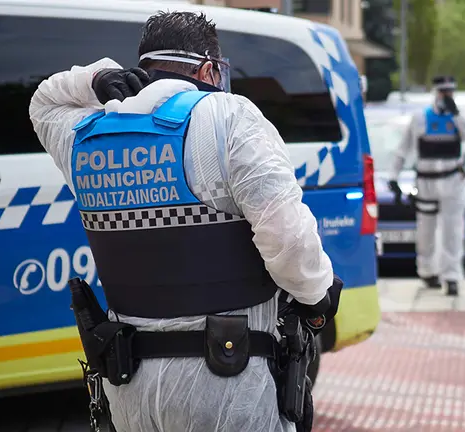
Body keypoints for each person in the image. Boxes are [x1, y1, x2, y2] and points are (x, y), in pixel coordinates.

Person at [29, 11, 342, 432]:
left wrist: (97, 78)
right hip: (227, 379)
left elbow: (43, 102)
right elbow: (288, 240)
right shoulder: (230, 118)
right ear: (209, 69)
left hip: (129, 391)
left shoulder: (85, 135)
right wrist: (317, 296)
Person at [387, 76, 465, 296]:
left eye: (450, 92)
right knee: (426, 230)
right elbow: (403, 149)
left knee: (453, 231)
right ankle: (427, 271)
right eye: (443, 92)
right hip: (427, 182)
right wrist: (393, 176)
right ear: (435, 93)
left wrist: (456, 114)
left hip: (452, 182)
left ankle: (452, 276)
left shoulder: (459, 118)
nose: (446, 97)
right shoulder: (419, 118)